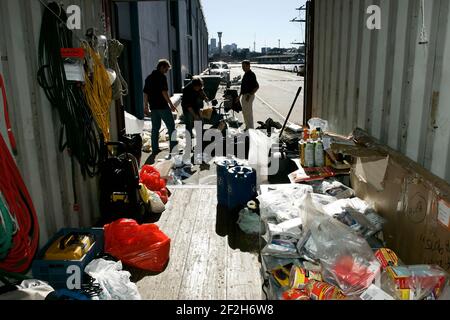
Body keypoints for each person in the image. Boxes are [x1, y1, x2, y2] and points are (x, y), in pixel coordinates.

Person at [143, 59, 178, 159]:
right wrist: (171, 105)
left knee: (155, 129)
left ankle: (155, 149)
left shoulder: (148, 78)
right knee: (171, 128)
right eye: (166, 69)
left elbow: (145, 93)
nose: (167, 71)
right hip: (162, 106)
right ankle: (173, 149)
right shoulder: (162, 77)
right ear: (162, 67)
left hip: (153, 107)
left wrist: (146, 106)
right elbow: (164, 92)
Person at [181, 76, 209, 152]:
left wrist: (205, 98)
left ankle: (199, 145)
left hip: (196, 106)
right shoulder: (187, 90)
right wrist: (195, 116)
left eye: (200, 87)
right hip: (188, 109)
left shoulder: (198, 86)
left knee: (200, 124)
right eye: (197, 88)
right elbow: (188, 106)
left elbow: (202, 92)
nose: (198, 89)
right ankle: (189, 147)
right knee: (189, 126)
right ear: (194, 86)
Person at [239, 60, 259, 130]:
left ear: (249, 66)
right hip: (244, 95)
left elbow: (256, 86)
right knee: (244, 112)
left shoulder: (251, 74)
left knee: (248, 113)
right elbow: (242, 87)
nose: (243, 68)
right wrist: (239, 96)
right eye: (242, 66)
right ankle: (247, 127)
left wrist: (249, 95)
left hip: (248, 96)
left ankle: (250, 128)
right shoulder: (245, 74)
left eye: (244, 66)